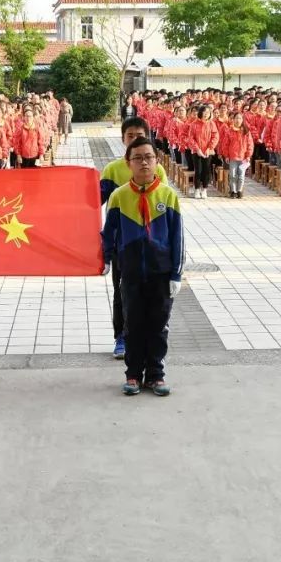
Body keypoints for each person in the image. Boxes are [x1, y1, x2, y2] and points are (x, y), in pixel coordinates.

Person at [101, 137, 183, 397]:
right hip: (132, 274)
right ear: (129, 163)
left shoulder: (168, 196)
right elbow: (109, 233)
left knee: (159, 326)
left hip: (161, 274)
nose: (144, 162)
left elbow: (177, 237)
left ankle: (156, 375)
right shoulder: (119, 196)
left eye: (149, 157)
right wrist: (105, 258)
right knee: (133, 325)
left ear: (157, 161)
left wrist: (176, 274)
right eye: (138, 158)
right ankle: (134, 374)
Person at [99, 117, 169, 358]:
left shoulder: (156, 169)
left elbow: (164, 203)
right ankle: (121, 336)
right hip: (123, 245)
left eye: (141, 135)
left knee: (152, 292)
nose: (136, 139)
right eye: (130, 136)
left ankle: (150, 335)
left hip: (152, 246)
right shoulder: (112, 170)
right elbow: (94, 202)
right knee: (122, 292)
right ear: (123, 140)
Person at [220, 111, 254, 199]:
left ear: (242, 120)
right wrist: (226, 155)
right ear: (233, 120)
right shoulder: (229, 131)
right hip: (232, 157)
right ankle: (233, 191)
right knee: (233, 175)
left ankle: (239, 190)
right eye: (236, 118)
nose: (238, 120)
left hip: (243, 157)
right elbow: (225, 144)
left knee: (241, 175)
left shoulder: (246, 132)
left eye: (239, 118)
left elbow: (250, 144)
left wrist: (248, 155)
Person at [189, 105, 219, 199]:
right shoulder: (194, 124)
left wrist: (210, 148)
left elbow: (215, 136)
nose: (206, 114)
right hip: (196, 151)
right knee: (198, 170)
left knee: (206, 170)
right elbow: (191, 138)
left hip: (207, 151)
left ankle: (204, 189)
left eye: (208, 112)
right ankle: (197, 189)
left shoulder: (211, 124)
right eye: (204, 112)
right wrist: (197, 149)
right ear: (200, 113)